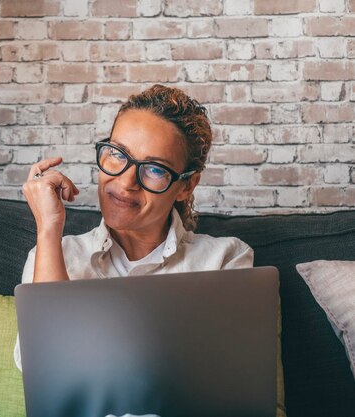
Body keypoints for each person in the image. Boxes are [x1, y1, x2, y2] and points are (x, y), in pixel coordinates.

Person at [14, 84, 285, 417]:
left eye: (155, 169)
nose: (126, 181)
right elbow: (45, 368)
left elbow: (242, 396)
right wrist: (48, 227)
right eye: (117, 154)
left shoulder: (227, 261)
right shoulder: (55, 254)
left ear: (187, 185)